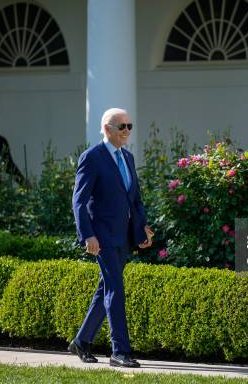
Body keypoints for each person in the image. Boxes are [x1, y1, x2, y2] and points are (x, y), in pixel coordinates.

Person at [68, 108, 153, 368]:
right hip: (102, 237)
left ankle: (81, 342)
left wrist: (142, 230)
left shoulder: (127, 157)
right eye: (122, 127)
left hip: (123, 237)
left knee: (106, 287)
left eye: (130, 126)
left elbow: (134, 199)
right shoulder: (91, 157)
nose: (127, 131)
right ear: (107, 128)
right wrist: (88, 236)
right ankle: (120, 351)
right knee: (115, 289)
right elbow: (79, 202)